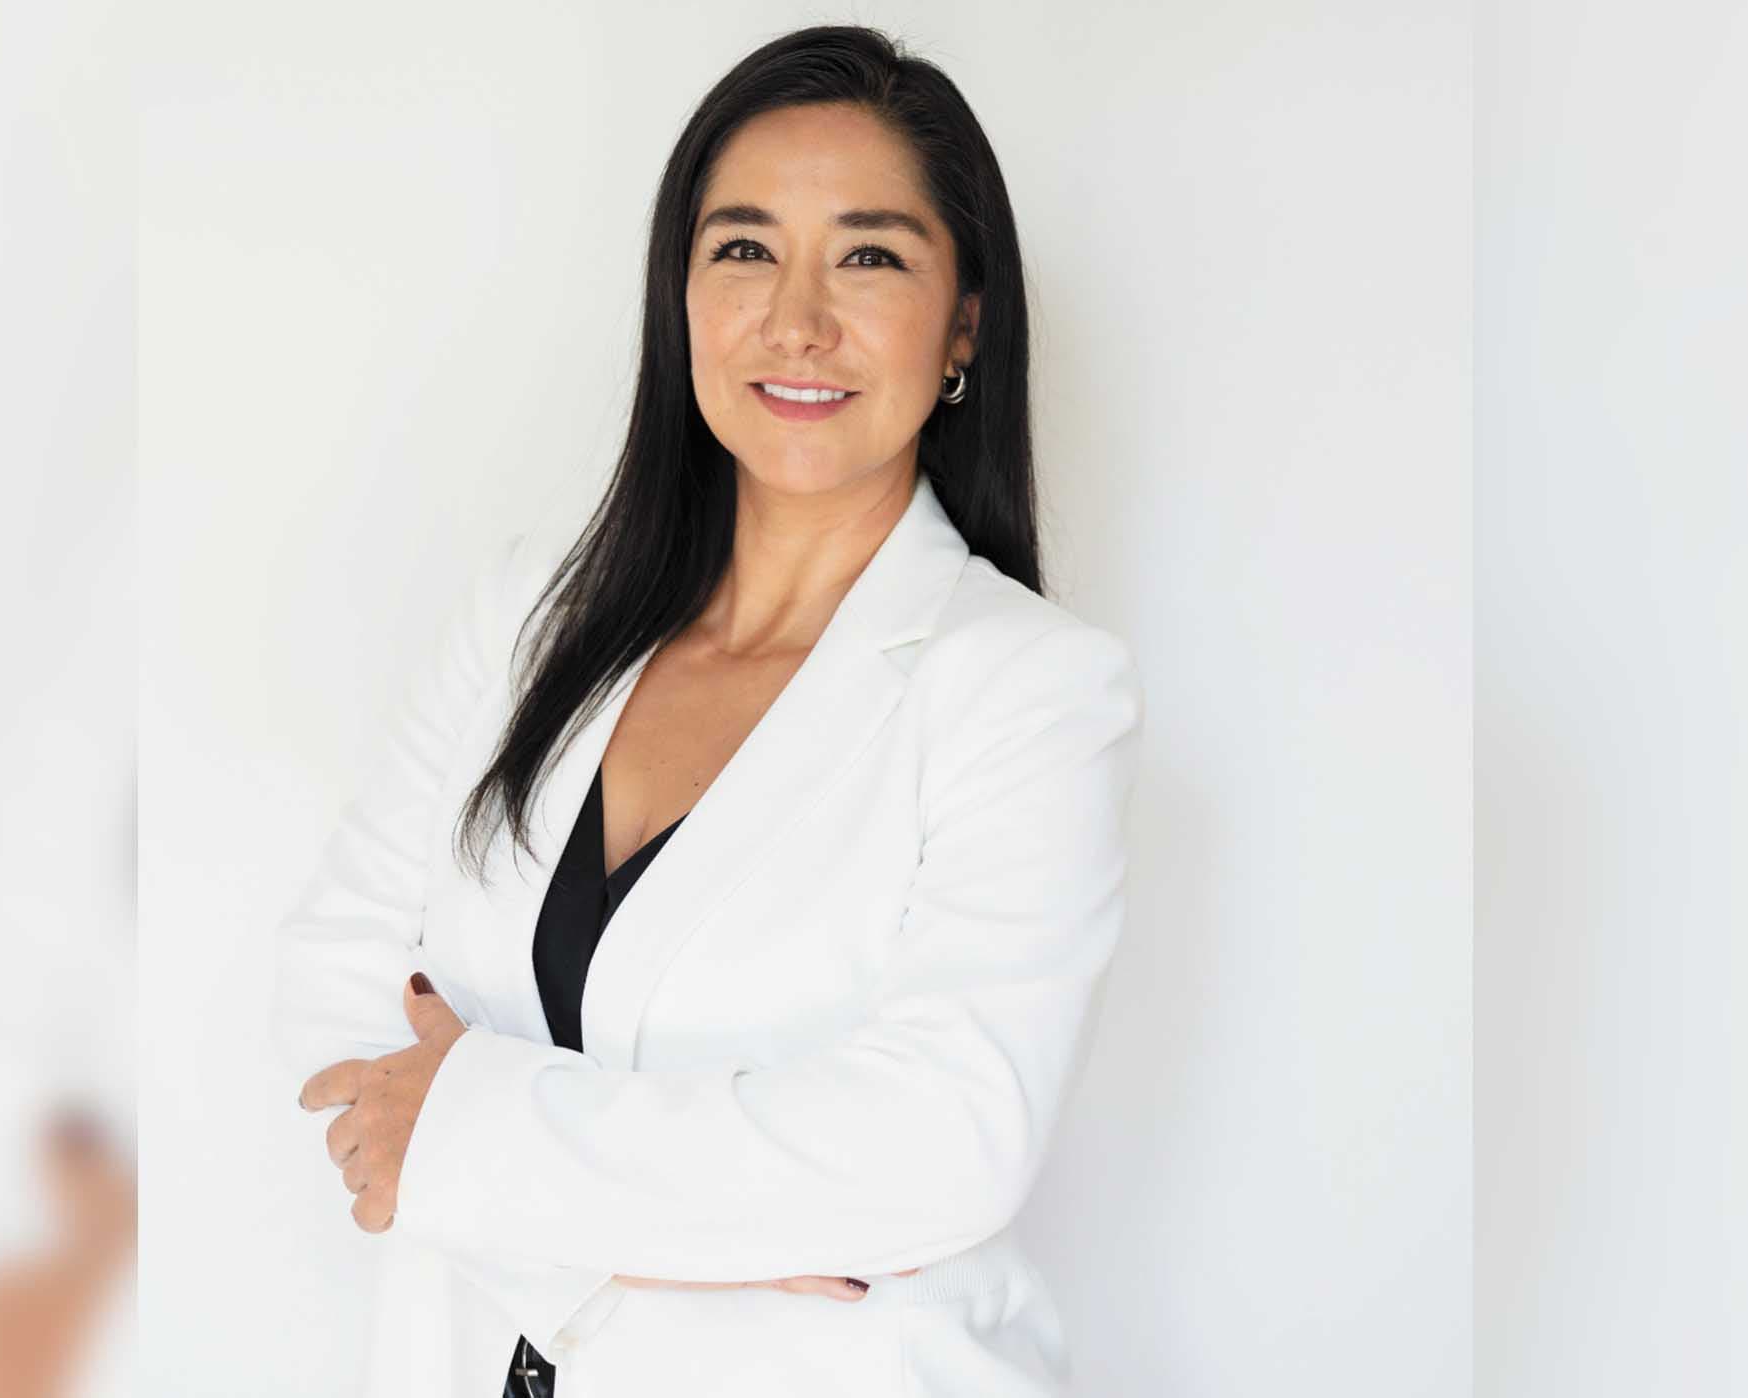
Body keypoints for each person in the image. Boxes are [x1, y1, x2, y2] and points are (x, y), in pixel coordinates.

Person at [271, 24, 1144, 1398]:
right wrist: (722, 1232)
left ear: (965, 321)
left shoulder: (1031, 690)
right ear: (679, 292)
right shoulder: (529, 618)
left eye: (869, 257)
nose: (796, 320)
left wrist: (474, 1149)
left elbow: (938, 1147)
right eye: (744, 248)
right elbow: (335, 1003)